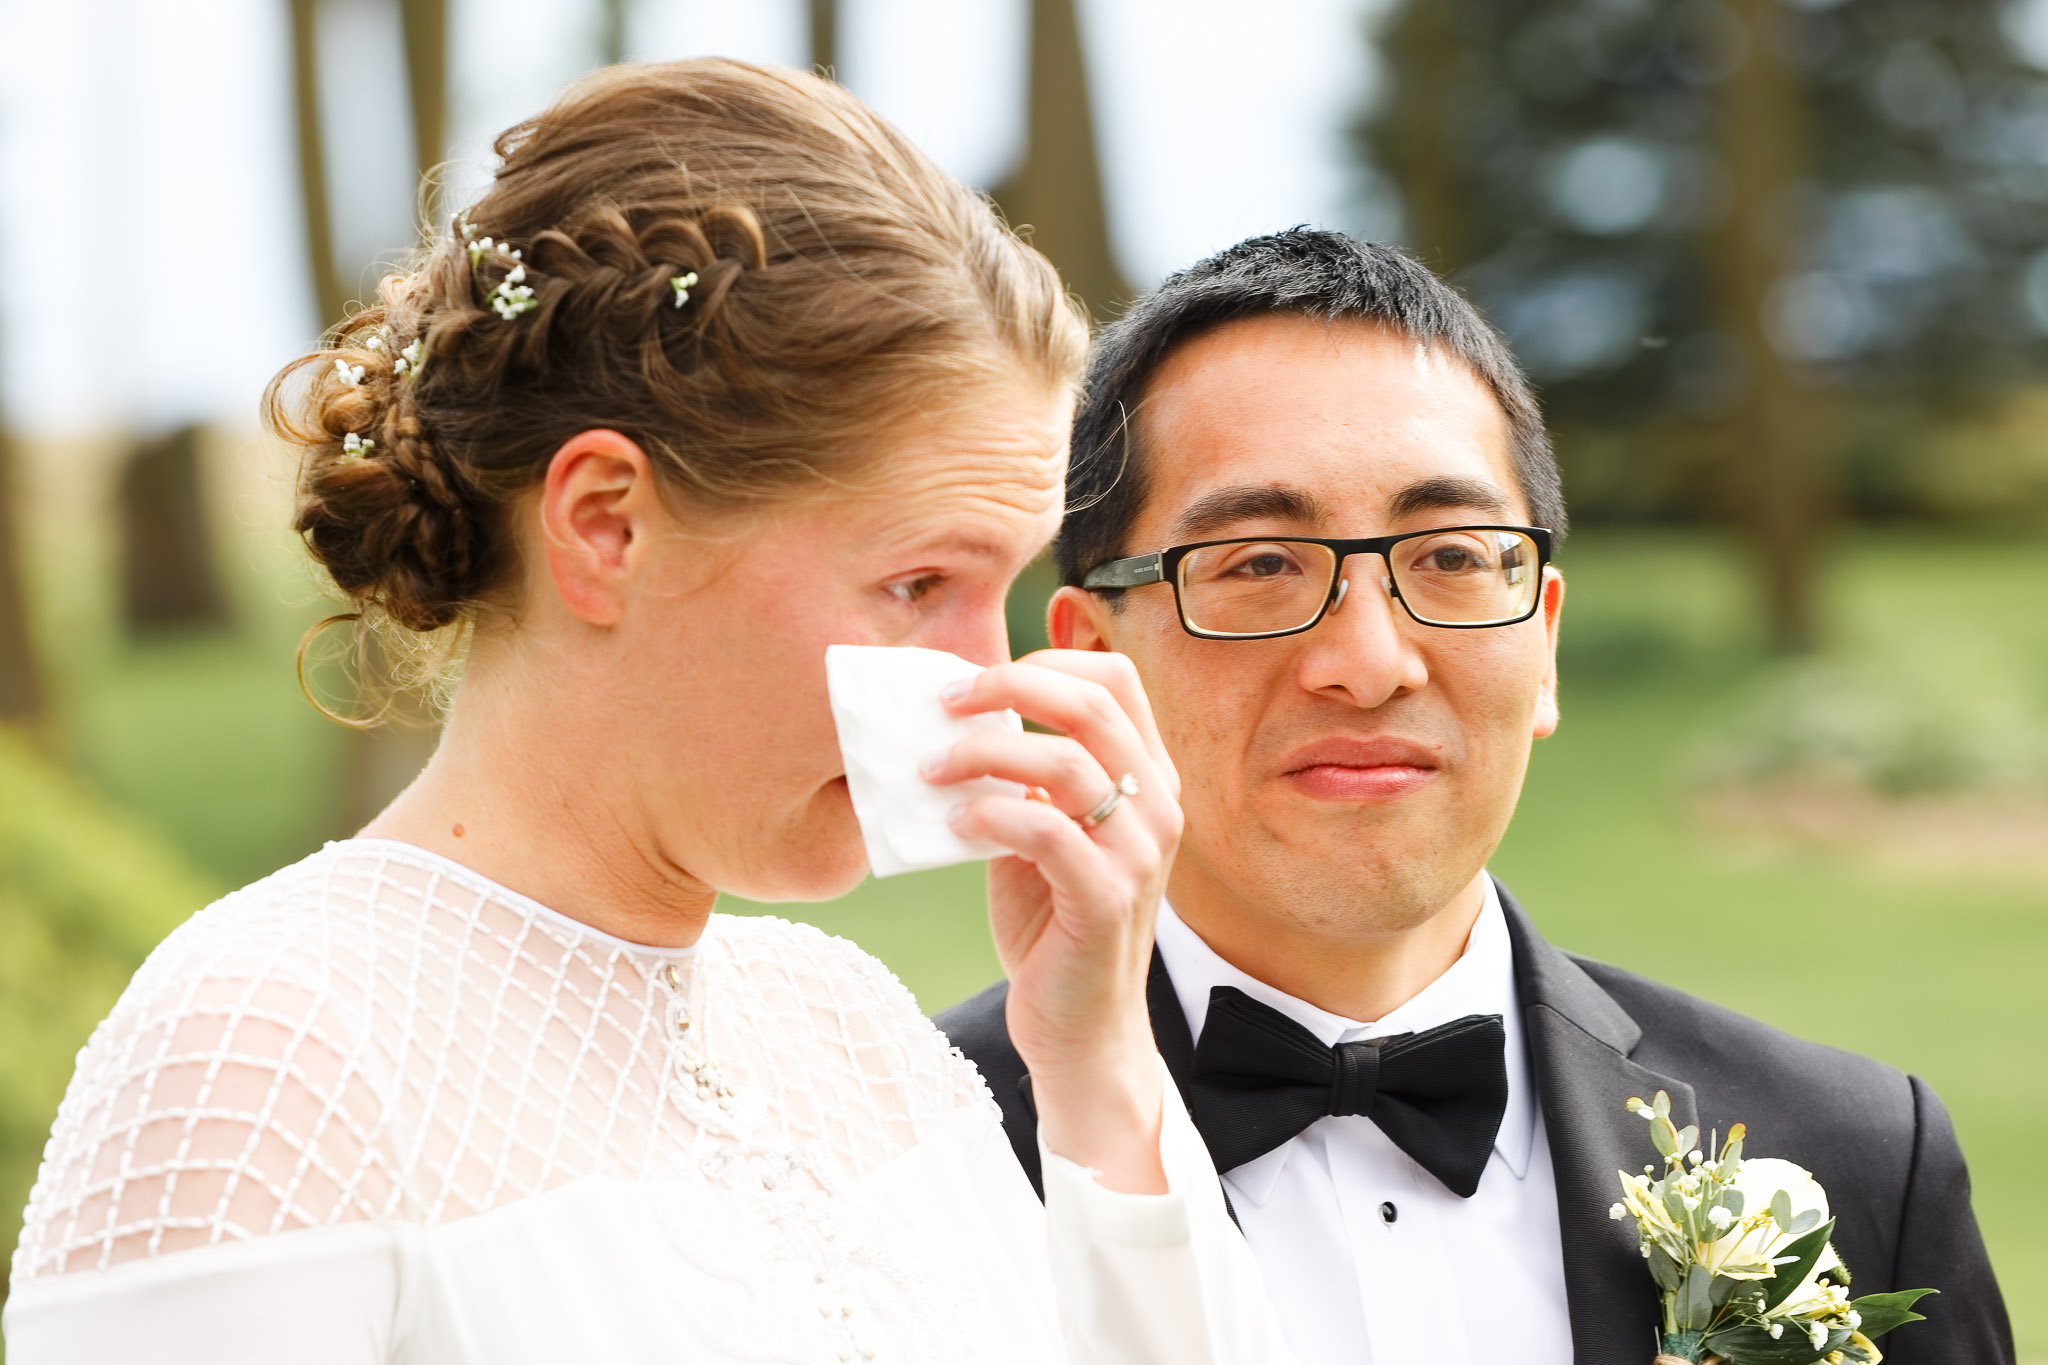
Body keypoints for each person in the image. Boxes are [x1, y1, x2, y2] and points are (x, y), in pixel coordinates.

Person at [4, 61, 1296, 1364]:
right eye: (919, 582)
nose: (986, 678)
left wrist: (1097, 1060)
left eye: (1001, 589)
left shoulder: (849, 1033)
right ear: (607, 526)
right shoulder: (266, 1059)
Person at [939, 229, 2014, 1365]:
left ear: (1542, 645)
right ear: (1090, 658)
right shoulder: (884, 1161)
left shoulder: (1854, 1163)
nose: (1367, 662)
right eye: (1257, 564)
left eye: (1450, 556)